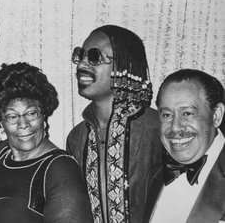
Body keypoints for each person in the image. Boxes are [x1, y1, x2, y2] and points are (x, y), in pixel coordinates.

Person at [66, 24, 162, 223]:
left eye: (94, 56)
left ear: (123, 66)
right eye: (80, 55)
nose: (82, 64)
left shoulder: (158, 128)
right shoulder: (77, 138)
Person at [0, 62, 93, 223]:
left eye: (31, 113)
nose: (23, 124)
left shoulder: (60, 168)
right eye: (12, 116)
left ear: (44, 115)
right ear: (1, 122)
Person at [143, 69, 225, 223]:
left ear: (216, 115)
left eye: (187, 113)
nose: (175, 127)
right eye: (167, 115)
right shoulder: (155, 174)